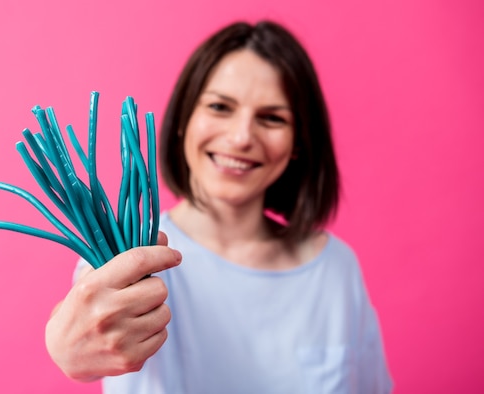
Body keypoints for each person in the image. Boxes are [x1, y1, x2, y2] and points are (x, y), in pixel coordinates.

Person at [45, 20, 393, 393]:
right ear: (184, 120)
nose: (242, 137)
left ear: (298, 143)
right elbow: (83, 329)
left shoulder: (336, 269)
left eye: (272, 118)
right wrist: (66, 345)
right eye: (219, 107)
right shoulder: (132, 255)